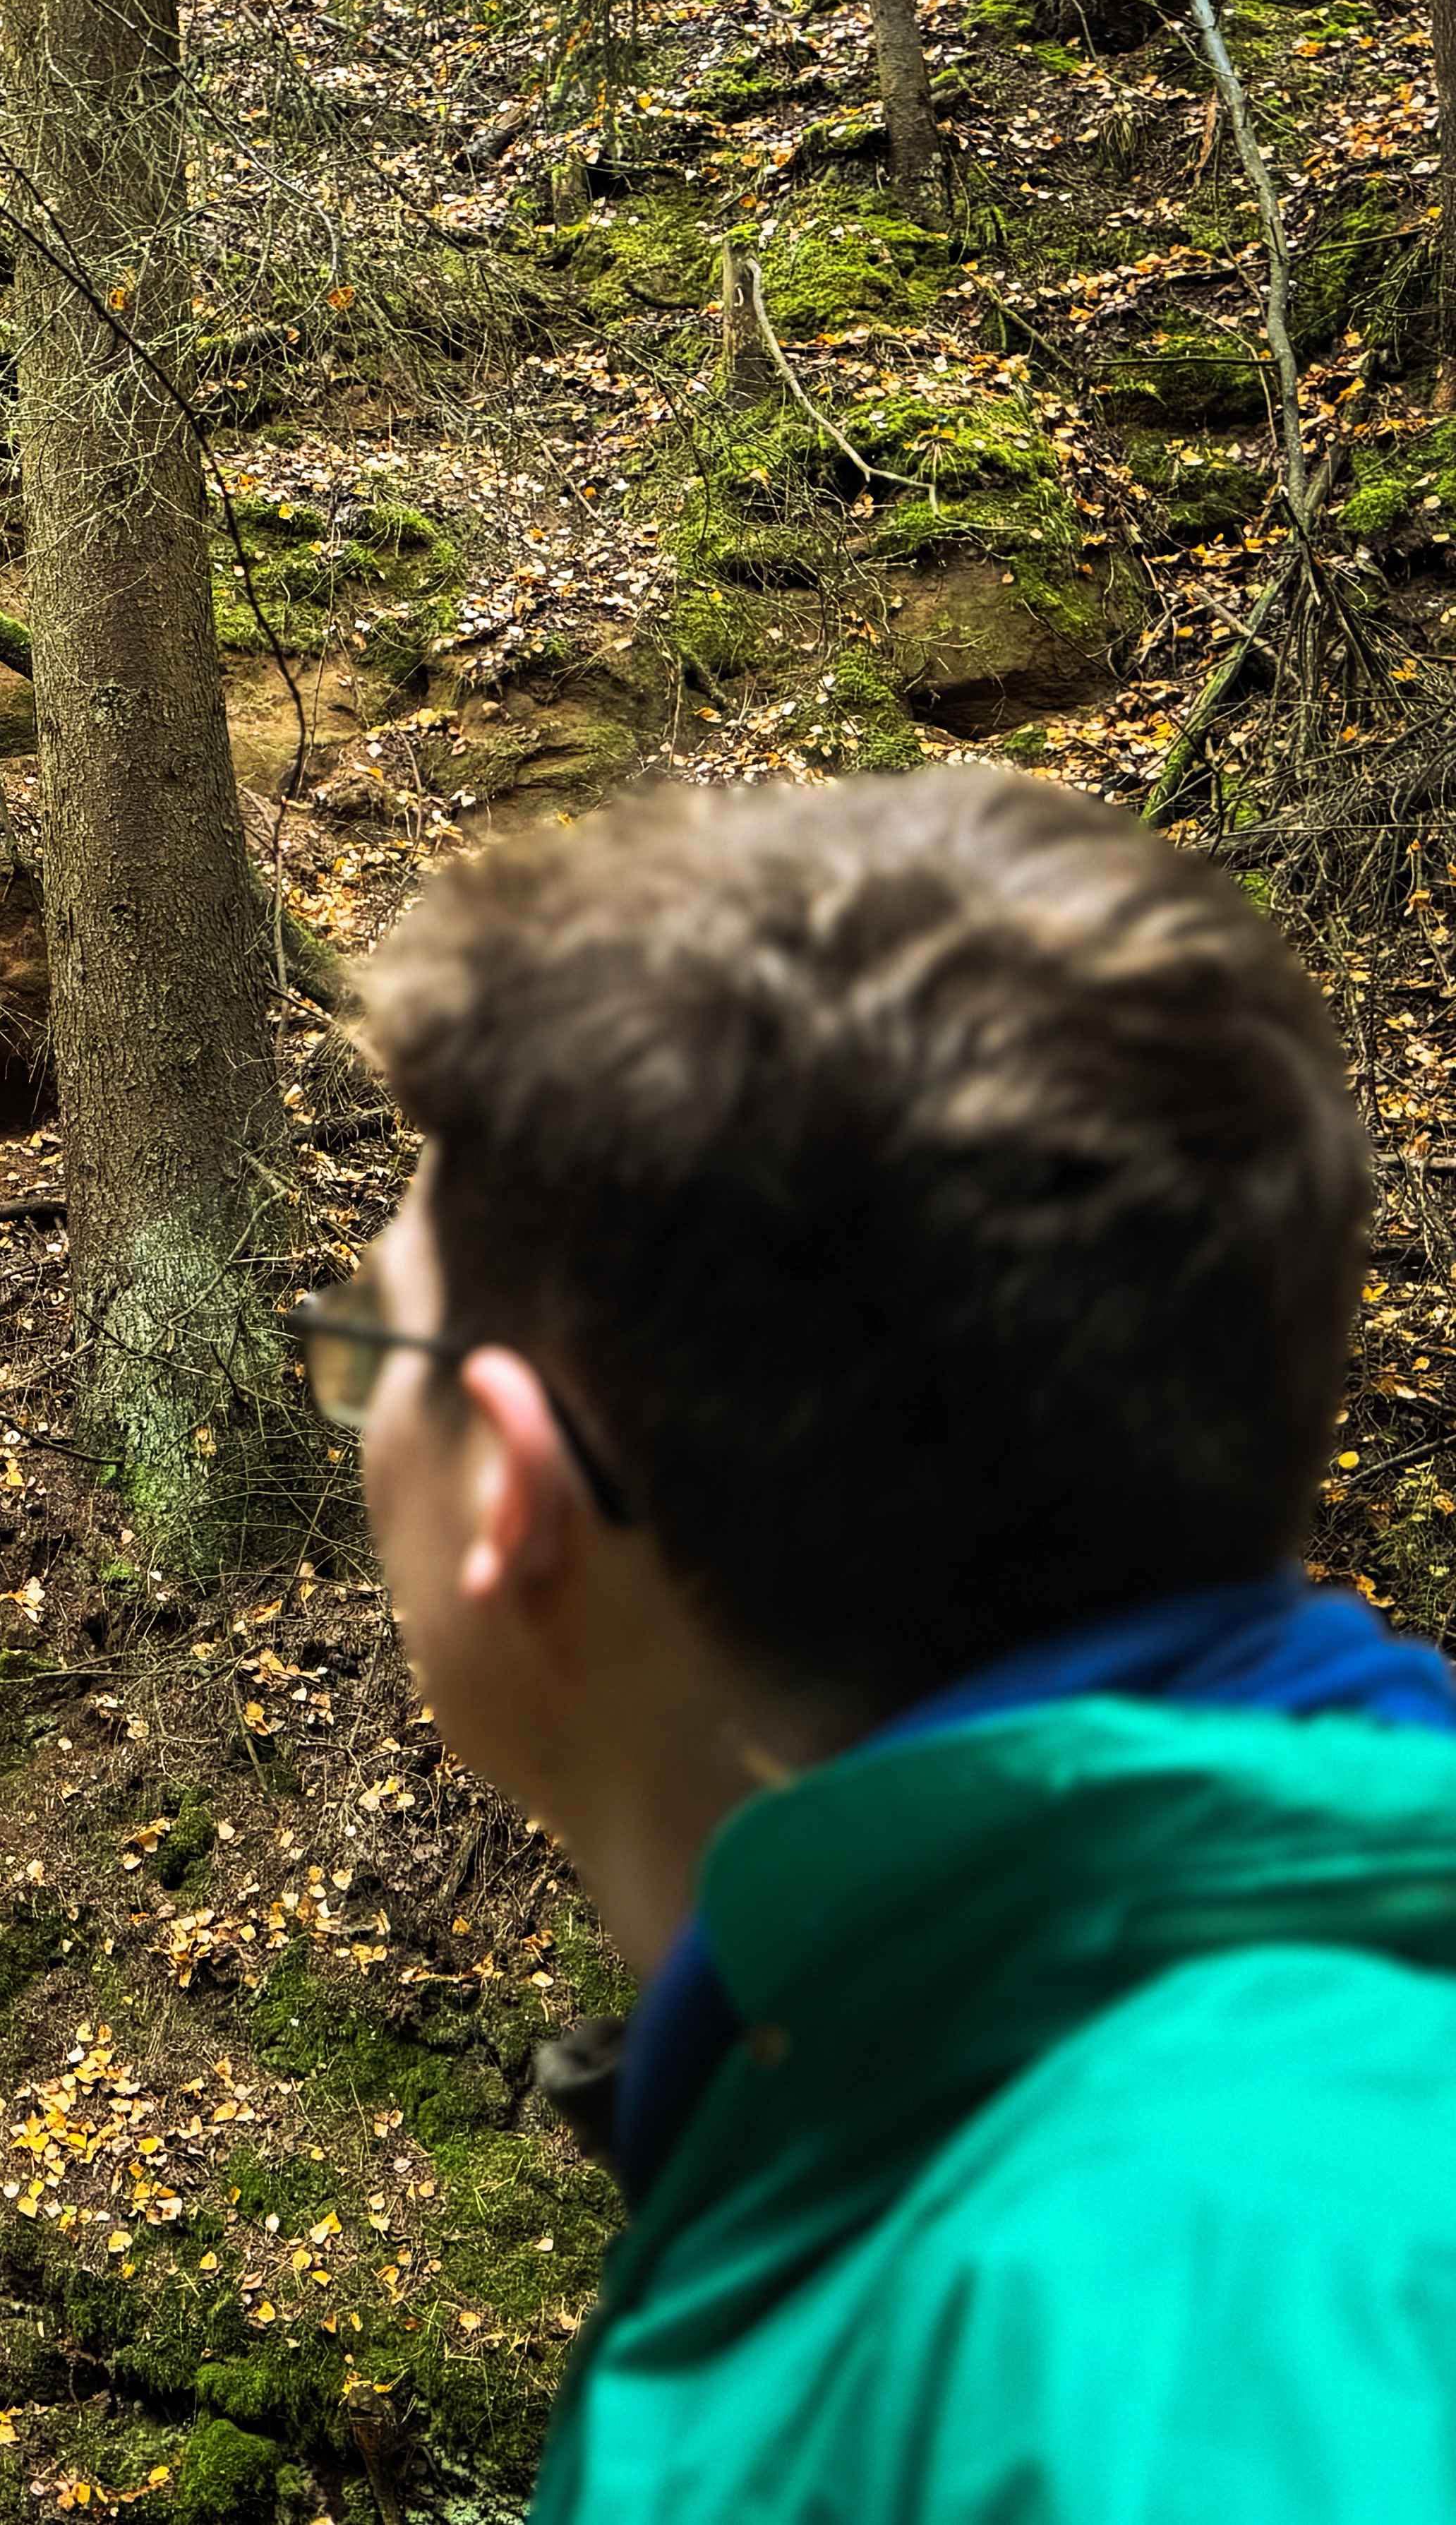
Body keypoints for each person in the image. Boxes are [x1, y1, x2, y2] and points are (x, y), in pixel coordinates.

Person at [295, 766, 1456, 2523]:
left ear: (511, 1493)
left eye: (369, 1344)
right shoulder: (1069, 2114)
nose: (355, 1402)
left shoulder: (1202, 2297)